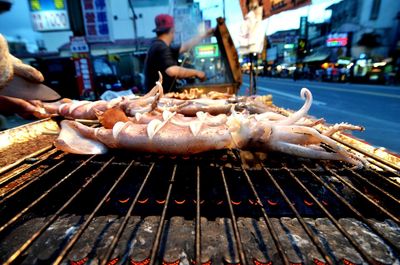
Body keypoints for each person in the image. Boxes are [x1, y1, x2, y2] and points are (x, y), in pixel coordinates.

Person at [144, 14, 213, 92]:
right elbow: (172, 71)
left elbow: (185, 46)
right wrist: (197, 73)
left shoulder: (161, 46)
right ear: (172, 30)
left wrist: (204, 35)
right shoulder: (160, 47)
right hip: (160, 99)